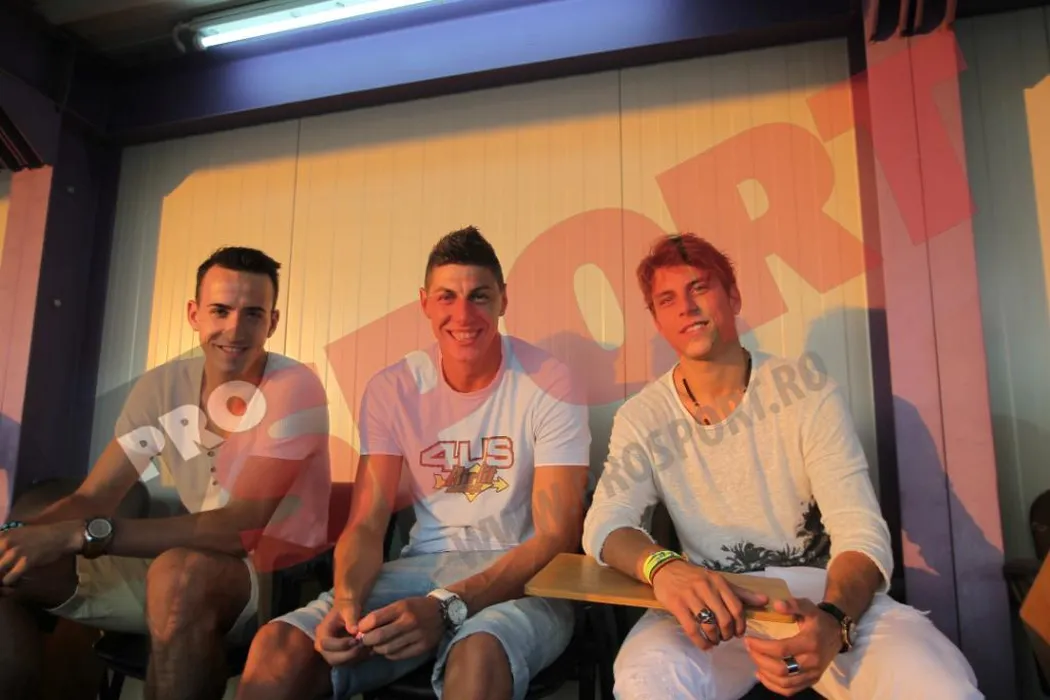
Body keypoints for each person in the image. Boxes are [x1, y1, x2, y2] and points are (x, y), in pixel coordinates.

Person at [581, 233, 983, 699]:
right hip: (714, 601)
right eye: (667, 300)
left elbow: (860, 532)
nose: (686, 308)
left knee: (938, 686)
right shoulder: (643, 416)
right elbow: (604, 523)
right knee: (644, 681)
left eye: (699, 288)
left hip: (819, 596)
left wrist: (834, 620)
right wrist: (664, 568)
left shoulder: (807, 392)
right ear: (657, 320)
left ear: (733, 297)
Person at [236, 226, 592, 700]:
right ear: (424, 303)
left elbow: (556, 536)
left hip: (523, 576)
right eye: (447, 297)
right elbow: (366, 524)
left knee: (478, 657)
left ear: (503, 300)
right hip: (421, 568)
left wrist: (447, 608)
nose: (463, 314)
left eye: (479, 296)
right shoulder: (393, 388)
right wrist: (348, 601)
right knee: (278, 648)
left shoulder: (551, 380)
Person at [0, 246, 331, 700]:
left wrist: (78, 534)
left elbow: (240, 530)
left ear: (272, 323)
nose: (235, 329)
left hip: (281, 575)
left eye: (253, 314)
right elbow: (94, 496)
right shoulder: (162, 386)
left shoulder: (294, 386)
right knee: (13, 571)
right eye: (220, 310)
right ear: (195, 314)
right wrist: (17, 537)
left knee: (177, 576)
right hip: (187, 564)